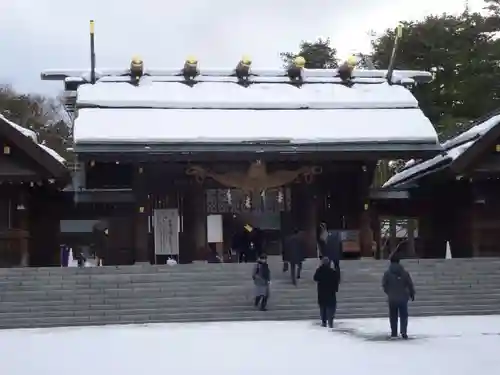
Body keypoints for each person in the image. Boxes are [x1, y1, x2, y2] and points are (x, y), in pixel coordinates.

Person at [382, 253, 415, 339]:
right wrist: (411, 294)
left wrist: (389, 292)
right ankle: (403, 331)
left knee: (393, 315)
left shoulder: (387, 273)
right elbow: (409, 284)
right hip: (403, 297)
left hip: (392, 298)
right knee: (404, 315)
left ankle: (394, 332)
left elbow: (384, 285)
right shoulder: (404, 273)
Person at [313, 257, 340, 328]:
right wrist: (336, 289)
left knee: (323, 308)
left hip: (322, 292)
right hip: (331, 292)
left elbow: (315, 278)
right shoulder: (332, 271)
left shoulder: (319, 270)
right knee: (331, 308)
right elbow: (336, 281)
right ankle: (330, 321)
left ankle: (324, 322)